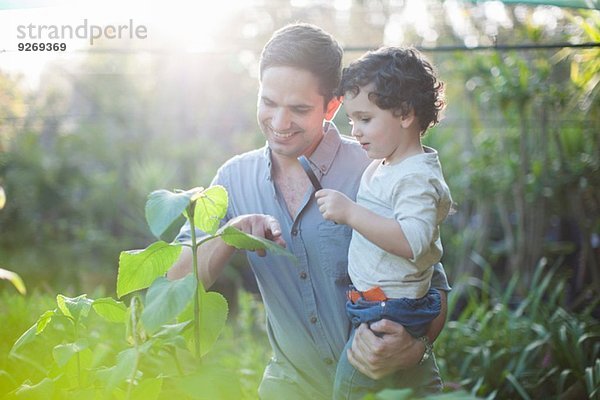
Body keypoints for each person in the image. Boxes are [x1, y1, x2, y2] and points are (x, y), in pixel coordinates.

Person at [167, 23, 451, 400]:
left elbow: (433, 286)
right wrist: (229, 236)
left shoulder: (378, 168)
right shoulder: (233, 180)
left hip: (393, 387)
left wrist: (413, 349)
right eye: (268, 103)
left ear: (332, 106)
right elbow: (174, 284)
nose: (280, 123)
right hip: (291, 387)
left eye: (299, 109)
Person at [314, 46, 452, 399]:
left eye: (365, 119)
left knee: (352, 383)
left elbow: (412, 241)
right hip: (380, 301)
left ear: (405, 113)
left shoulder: (415, 177)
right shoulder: (386, 165)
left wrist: (350, 213)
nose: (355, 131)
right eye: (351, 121)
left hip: (389, 308)